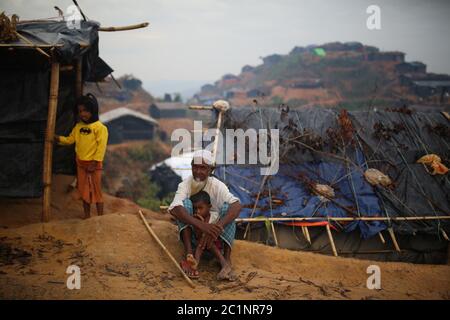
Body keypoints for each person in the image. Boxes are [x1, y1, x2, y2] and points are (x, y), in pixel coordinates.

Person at [169, 149, 242, 281]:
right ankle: (189, 253)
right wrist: (202, 225)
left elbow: (237, 205)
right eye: (195, 167)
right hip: (194, 234)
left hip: (215, 236)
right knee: (184, 205)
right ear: (191, 167)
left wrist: (216, 227)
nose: (198, 171)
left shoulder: (217, 186)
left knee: (228, 207)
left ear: (210, 170)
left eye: (203, 168)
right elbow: (174, 209)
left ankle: (226, 260)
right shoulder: (185, 185)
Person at [55, 93, 108, 219]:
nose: (83, 114)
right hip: (81, 164)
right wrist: (56, 137)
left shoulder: (100, 128)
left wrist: (95, 163)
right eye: (80, 111)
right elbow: (69, 140)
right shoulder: (78, 127)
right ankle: (87, 216)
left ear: (93, 110)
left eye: (86, 111)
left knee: (96, 189)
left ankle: (101, 217)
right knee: (84, 190)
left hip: (94, 165)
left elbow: (101, 147)